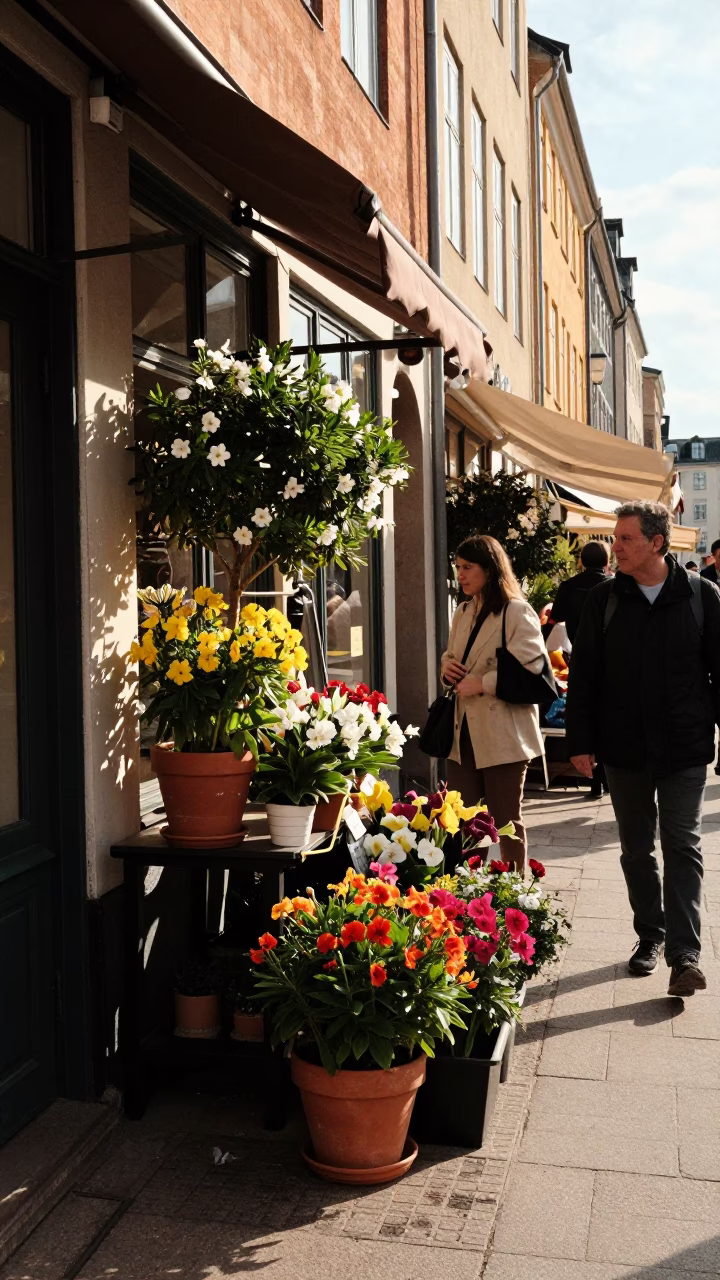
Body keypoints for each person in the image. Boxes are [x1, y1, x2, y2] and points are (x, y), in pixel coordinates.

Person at [566, 500, 720, 997]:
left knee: (683, 844)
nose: (616, 547)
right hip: (624, 748)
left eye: (626, 538)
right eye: (616, 538)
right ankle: (649, 936)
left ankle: (685, 954)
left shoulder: (702, 596)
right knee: (636, 848)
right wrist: (581, 743)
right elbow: (585, 675)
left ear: (657, 542)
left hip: (684, 747)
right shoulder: (605, 600)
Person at [441, 535, 547, 871]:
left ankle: (515, 894)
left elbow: (535, 669)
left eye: (468, 567)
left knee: (505, 820)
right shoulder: (462, 611)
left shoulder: (516, 612)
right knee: (461, 818)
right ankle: (465, 895)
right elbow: (454, 656)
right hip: (463, 733)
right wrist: (446, 666)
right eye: (458, 567)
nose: (461, 574)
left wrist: (483, 683)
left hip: (504, 734)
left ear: (490, 569)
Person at [551, 540, 612, 644]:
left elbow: (557, 617)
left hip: (578, 647)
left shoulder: (568, 586)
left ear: (582, 561)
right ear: (606, 561)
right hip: (607, 649)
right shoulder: (613, 586)